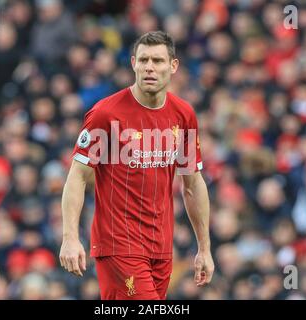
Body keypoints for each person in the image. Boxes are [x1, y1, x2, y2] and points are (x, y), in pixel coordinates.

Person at [59, 31, 215, 300]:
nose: (149, 68)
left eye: (157, 61)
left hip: (161, 247)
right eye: (143, 60)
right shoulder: (106, 114)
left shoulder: (183, 115)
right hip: (119, 244)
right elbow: (77, 177)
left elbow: (192, 183)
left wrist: (204, 248)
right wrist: (70, 238)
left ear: (173, 66)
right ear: (133, 64)